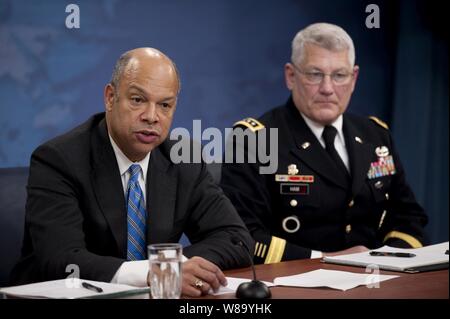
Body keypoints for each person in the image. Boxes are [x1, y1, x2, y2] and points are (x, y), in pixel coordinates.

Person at [11, 48, 253, 297]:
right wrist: (155, 272)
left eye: (165, 105)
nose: (151, 117)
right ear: (110, 97)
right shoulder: (59, 160)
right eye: (138, 100)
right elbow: (62, 260)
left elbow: (236, 239)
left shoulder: (184, 159)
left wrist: (171, 269)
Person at [220, 23, 427, 264]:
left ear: (354, 78)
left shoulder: (375, 135)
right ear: (291, 76)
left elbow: (408, 215)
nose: (327, 88)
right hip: (294, 283)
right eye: (314, 74)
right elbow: (242, 235)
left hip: (376, 278)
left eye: (339, 75)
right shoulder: (256, 140)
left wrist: (391, 260)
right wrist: (325, 259)